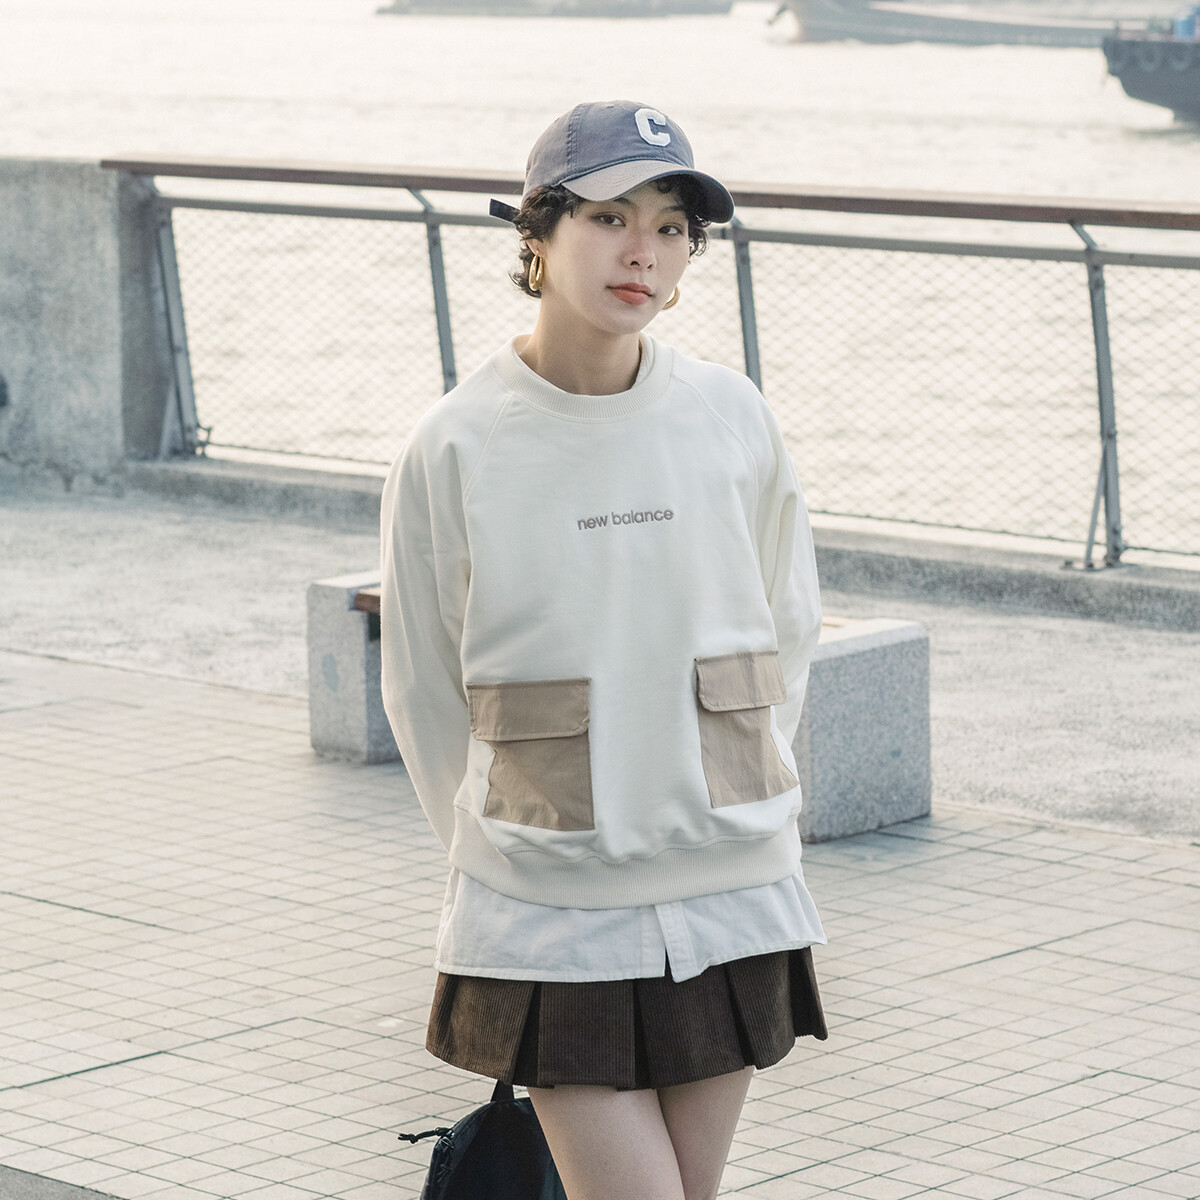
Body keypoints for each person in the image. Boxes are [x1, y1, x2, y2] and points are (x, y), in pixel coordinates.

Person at [380, 99, 827, 1200]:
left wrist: (741, 789)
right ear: (537, 232)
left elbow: (789, 628)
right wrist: (502, 844)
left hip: (732, 882)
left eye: (672, 227)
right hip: (547, 906)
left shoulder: (731, 415)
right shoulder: (457, 443)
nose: (645, 252)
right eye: (611, 217)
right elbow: (423, 690)